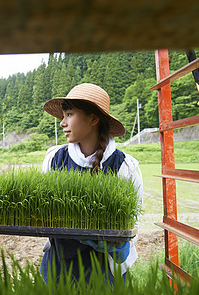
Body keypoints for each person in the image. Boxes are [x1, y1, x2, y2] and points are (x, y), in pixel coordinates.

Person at [40, 83, 143, 285]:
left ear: (94, 119)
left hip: (104, 273)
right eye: (63, 115)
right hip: (58, 267)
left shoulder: (124, 167)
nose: (62, 123)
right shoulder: (54, 159)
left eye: (69, 114)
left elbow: (133, 223)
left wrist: (119, 243)